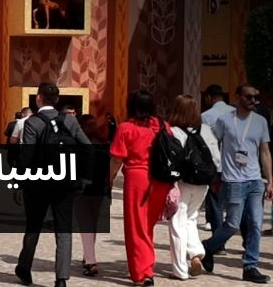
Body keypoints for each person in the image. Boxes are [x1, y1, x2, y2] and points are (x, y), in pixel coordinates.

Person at [16, 82, 90, 287]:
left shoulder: (32, 123)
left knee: (33, 226)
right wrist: (83, 177)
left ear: (38, 98)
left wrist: (20, 181)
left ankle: (24, 268)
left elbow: (26, 156)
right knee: (64, 229)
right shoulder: (70, 121)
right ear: (57, 100)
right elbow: (87, 147)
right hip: (64, 183)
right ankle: (61, 278)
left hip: (38, 183)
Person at [201, 84, 273, 283]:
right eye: (249, 97)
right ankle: (207, 247)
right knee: (232, 224)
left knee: (256, 224)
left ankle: (250, 266)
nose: (253, 101)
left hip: (255, 180)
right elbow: (212, 144)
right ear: (238, 97)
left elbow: (265, 152)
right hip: (233, 180)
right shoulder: (224, 120)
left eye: (256, 97)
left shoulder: (260, 121)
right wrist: (216, 172)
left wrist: (270, 181)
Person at [107, 90, 172, 286]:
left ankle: (142, 273)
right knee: (147, 226)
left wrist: (108, 179)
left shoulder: (126, 128)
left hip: (137, 179)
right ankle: (147, 265)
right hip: (160, 181)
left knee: (136, 228)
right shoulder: (162, 126)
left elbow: (117, 159)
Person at [167, 95, 221, 280]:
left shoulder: (173, 131)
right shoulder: (206, 129)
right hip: (202, 182)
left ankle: (180, 270)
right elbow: (216, 157)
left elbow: (170, 158)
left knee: (177, 222)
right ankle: (196, 254)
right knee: (191, 217)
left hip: (182, 182)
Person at [74, 114, 109, 277]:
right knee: (92, 224)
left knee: (85, 225)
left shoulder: (78, 145)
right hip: (99, 189)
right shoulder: (103, 144)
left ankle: (90, 261)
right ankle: (88, 256)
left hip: (82, 189)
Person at [201, 84, 235, 232]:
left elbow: (205, 141)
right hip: (235, 162)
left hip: (215, 163)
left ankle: (218, 234)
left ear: (209, 97)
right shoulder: (235, 112)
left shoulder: (206, 116)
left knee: (215, 200)